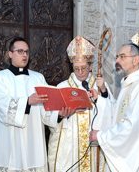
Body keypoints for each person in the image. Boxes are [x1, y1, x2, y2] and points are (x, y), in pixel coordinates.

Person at [0, 37, 71, 172]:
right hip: (9, 141)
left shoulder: (38, 78)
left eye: (27, 52)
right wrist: (27, 102)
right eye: (20, 51)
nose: (24, 55)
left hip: (33, 140)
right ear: (10, 54)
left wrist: (59, 114)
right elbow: (1, 106)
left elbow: (47, 107)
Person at [89, 43, 139, 172]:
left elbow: (134, 126)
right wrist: (101, 97)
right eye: (117, 57)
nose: (117, 60)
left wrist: (102, 136)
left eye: (122, 57)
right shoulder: (131, 83)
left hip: (137, 159)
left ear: (136, 60)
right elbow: (119, 115)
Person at [48, 36, 113, 172]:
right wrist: (60, 115)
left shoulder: (100, 86)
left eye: (84, 68)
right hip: (69, 145)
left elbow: (112, 113)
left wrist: (102, 95)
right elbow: (48, 115)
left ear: (90, 66)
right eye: (76, 68)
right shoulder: (62, 87)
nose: (80, 72)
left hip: (93, 145)